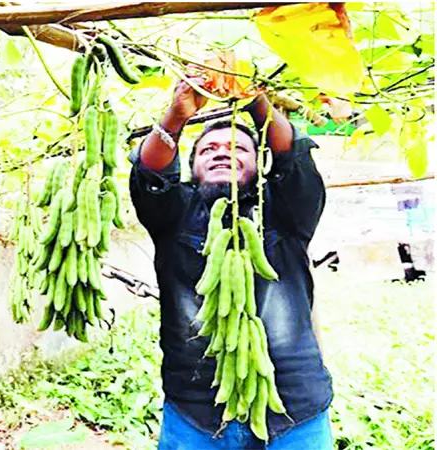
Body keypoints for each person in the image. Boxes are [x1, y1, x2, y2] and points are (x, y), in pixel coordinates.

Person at [128, 77, 334, 450]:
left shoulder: (288, 211)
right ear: (191, 169)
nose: (223, 152)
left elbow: (293, 158)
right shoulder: (174, 216)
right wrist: (176, 115)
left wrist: (254, 99)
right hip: (195, 413)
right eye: (208, 149)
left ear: (259, 165)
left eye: (239, 148)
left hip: (295, 408)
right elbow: (150, 173)